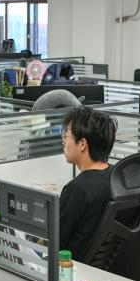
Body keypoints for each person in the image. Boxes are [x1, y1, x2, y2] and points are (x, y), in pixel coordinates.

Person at [58, 106, 117, 261]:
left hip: (68, 265)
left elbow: (55, 241)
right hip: (97, 266)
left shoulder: (77, 189)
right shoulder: (116, 176)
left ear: (82, 144)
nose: (63, 141)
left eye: (66, 136)